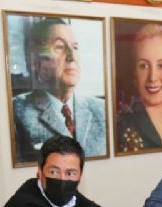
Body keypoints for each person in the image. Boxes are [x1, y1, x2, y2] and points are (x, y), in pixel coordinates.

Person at [13, 17, 106, 162]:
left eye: (75, 47)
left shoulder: (101, 109)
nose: (71, 56)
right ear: (37, 61)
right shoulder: (17, 111)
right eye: (60, 47)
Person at [117, 23, 162, 153]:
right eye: (143, 66)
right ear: (134, 73)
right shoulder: (120, 126)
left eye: (161, 65)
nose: (153, 77)